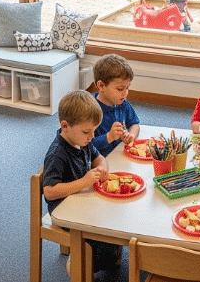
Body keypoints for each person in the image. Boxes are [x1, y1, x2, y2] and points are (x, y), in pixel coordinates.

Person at [42, 91, 118, 274]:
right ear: (65, 126)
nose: (92, 136)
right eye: (87, 131)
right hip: (64, 209)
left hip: (81, 201)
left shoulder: (82, 141)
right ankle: (78, 266)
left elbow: (99, 158)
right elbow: (49, 191)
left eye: (94, 130)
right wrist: (84, 182)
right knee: (100, 237)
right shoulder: (57, 154)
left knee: (114, 220)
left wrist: (103, 167)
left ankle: (104, 258)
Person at [90, 54, 140, 156]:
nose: (125, 93)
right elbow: (83, 146)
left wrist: (131, 135)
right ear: (101, 86)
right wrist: (109, 137)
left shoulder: (122, 103)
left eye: (127, 87)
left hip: (118, 154)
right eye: (120, 89)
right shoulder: (89, 110)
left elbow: (134, 123)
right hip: (98, 162)